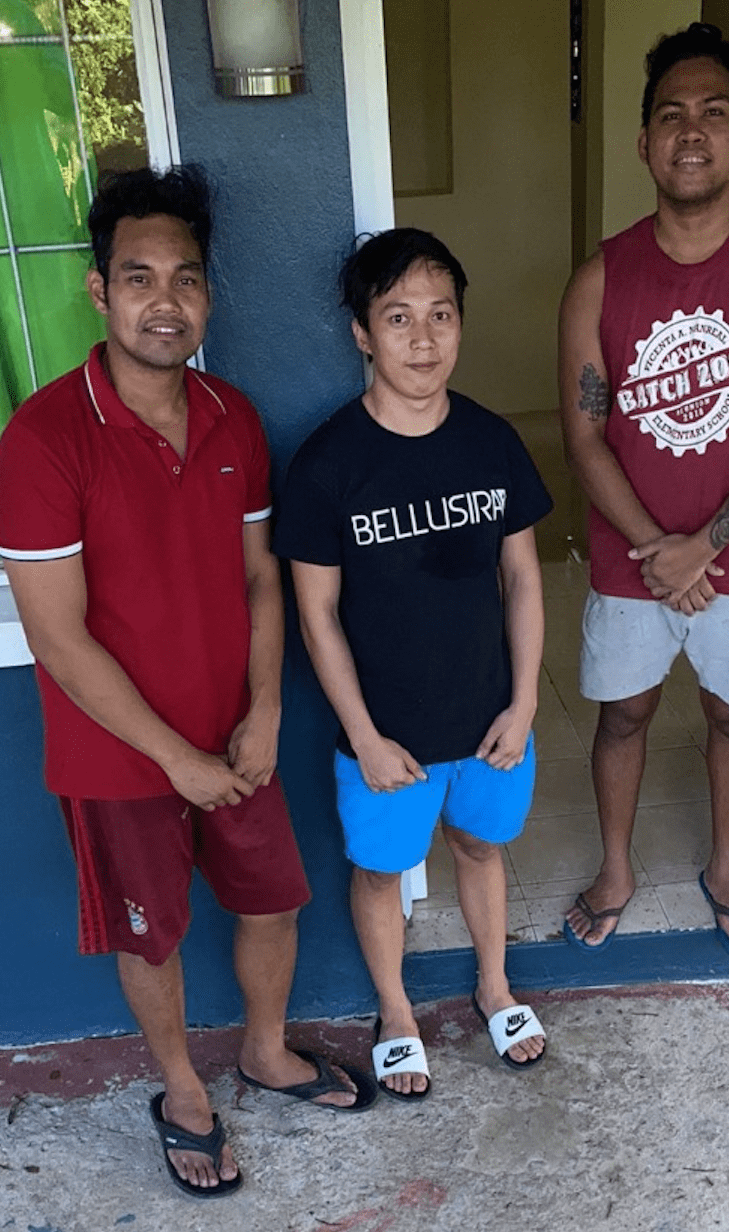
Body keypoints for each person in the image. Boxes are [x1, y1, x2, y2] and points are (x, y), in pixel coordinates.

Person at [0, 166, 375, 1200]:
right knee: (149, 932)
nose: (166, 301)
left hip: (236, 733)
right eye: (139, 277)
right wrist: (175, 760)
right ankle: (182, 1092)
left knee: (274, 903)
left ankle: (265, 1052)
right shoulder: (41, 442)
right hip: (119, 757)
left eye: (186, 278)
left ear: (207, 293)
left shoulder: (231, 418)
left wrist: (266, 708)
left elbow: (259, 579)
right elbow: (59, 639)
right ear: (99, 291)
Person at [559, 24, 729, 955]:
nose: (691, 131)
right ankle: (616, 868)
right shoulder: (598, 280)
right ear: (643, 141)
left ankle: (724, 866)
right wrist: (660, 552)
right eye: (671, 114)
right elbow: (584, 437)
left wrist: (702, 549)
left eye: (714, 112)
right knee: (624, 715)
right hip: (632, 556)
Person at [273, 228, 551, 1098]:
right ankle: (395, 1012)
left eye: (441, 315)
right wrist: (362, 735)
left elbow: (523, 579)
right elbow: (315, 615)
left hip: (490, 720)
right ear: (363, 333)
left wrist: (525, 704)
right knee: (381, 870)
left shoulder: (492, 442)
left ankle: (494, 987)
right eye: (398, 318)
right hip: (385, 735)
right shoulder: (328, 465)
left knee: (479, 845)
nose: (423, 339)